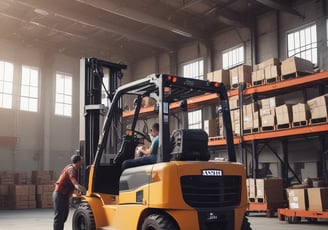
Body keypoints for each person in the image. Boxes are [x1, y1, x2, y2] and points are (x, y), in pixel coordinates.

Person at [53, 154, 86, 230]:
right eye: (81, 161)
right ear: (78, 162)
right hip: (59, 194)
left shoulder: (74, 169)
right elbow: (76, 185)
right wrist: (86, 191)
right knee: (59, 217)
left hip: (64, 196)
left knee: (64, 216)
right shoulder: (71, 169)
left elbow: (70, 185)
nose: (82, 163)